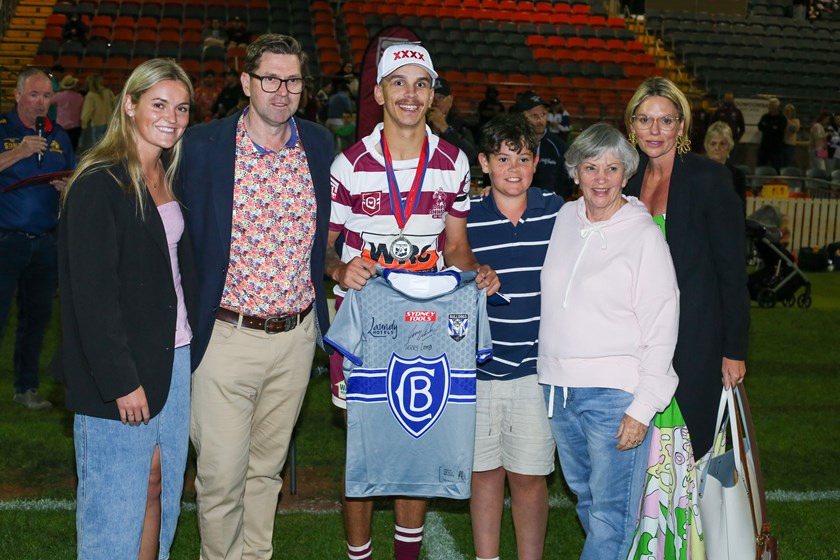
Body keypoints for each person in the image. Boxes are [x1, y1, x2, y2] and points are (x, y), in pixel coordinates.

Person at [326, 42, 499, 560]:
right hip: (363, 318)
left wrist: (477, 274)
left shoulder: (452, 162)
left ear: (432, 94)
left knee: (415, 434)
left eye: (421, 84)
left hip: (426, 317)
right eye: (398, 82)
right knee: (363, 442)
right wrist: (340, 268)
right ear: (379, 92)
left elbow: (456, 246)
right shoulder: (349, 164)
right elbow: (325, 248)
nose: (410, 94)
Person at [180, 34, 334, 560]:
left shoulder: (318, 144)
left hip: (295, 339)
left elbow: (326, 237)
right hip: (225, 336)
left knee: (265, 473)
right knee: (221, 479)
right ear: (246, 82)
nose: (282, 90)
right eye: (270, 78)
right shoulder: (201, 147)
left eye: (292, 80)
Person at [53, 58, 194, 560]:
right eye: (158, 105)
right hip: (123, 368)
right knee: (114, 507)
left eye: (181, 108)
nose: (171, 118)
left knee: (159, 485)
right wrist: (120, 380)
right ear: (129, 105)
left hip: (174, 358)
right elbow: (90, 296)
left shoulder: (167, 174)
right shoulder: (99, 183)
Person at [539, 122, 679, 560]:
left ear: (626, 174)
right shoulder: (565, 218)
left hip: (615, 396)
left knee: (611, 516)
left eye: (613, 168)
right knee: (589, 503)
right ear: (575, 172)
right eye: (591, 167)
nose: (602, 178)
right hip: (558, 392)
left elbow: (662, 323)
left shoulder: (643, 235)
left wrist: (643, 407)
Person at [624, 77, 750, 459]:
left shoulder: (709, 179)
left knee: (689, 450)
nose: (655, 130)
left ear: (681, 125)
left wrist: (734, 350)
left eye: (666, 120)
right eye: (644, 120)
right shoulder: (623, 178)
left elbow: (732, 273)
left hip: (694, 339)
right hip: (632, 338)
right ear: (631, 125)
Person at [466, 113, 561, 560]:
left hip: (535, 371)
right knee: (483, 473)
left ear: (536, 161)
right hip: (478, 370)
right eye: (503, 158)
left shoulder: (558, 211)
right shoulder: (465, 220)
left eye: (523, 158)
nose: (514, 168)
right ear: (484, 162)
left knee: (529, 475)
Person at [0, 67, 74, 410]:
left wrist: (65, 189)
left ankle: (26, 388)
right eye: (34, 94)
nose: (41, 102)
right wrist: (19, 152)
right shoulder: (4, 129)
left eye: (47, 96)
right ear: (16, 95)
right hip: (6, 239)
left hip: (45, 242)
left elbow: (71, 177)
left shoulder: (59, 134)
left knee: (36, 320)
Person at [514, 93, 570, 198]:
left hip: (549, 209)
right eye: (534, 116)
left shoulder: (559, 147)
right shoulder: (511, 144)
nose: (540, 120)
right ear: (522, 117)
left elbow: (566, 184)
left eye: (543, 114)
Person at [427, 77, 478, 166]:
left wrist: (445, 128)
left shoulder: (460, 126)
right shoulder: (418, 125)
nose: (435, 102)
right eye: (431, 97)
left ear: (450, 100)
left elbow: (472, 156)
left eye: (440, 97)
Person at [705, 121, 747, 212]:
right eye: (713, 143)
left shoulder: (738, 176)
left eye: (722, 144)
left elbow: (741, 210)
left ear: (729, 146)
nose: (717, 148)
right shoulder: (696, 174)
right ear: (707, 146)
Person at [79, 74, 116, 153]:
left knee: (98, 149)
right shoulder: (108, 92)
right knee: (107, 147)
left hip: (97, 124)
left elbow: (87, 111)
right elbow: (114, 105)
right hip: (109, 123)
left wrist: (84, 124)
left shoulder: (91, 95)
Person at [50, 74, 84, 150]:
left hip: (61, 127)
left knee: (60, 149)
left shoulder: (59, 96)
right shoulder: (79, 97)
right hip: (76, 127)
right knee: (72, 149)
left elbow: (49, 101)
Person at [757, 97, 787, 172]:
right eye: (769, 105)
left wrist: (767, 127)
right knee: (761, 167)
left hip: (776, 148)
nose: (769, 107)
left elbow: (779, 130)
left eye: (771, 106)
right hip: (764, 147)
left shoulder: (782, 118)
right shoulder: (765, 117)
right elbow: (760, 126)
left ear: (776, 107)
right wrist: (772, 127)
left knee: (777, 168)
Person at [782, 103, 800, 168]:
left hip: (789, 145)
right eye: (786, 111)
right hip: (781, 144)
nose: (787, 112)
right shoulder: (781, 120)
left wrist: (787, 120)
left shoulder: (796, 121)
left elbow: (795, 129)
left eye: (789, 111)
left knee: (788, 162)